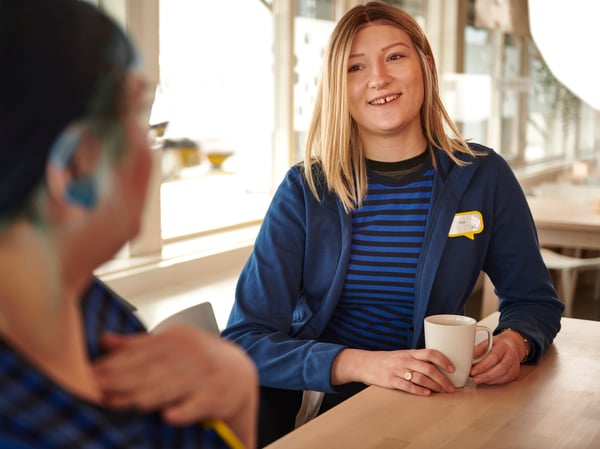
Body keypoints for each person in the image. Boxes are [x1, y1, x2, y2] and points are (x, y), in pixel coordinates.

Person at [221, 1, 564, 446]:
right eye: (355, 67)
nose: (378, 78)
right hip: (326, 407)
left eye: (395, 56)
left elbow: (534, 300)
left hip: (438, 400)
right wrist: (362, 363)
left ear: (425, 64)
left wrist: (515, 342)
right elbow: (245, 340)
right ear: (337, 87)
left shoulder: (483, 175)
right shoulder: (306, 190)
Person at [0, 0, 257, 448]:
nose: (151, 144)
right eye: (139, 113)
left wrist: (236, 391)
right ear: (76, 168)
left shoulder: (88, 307)